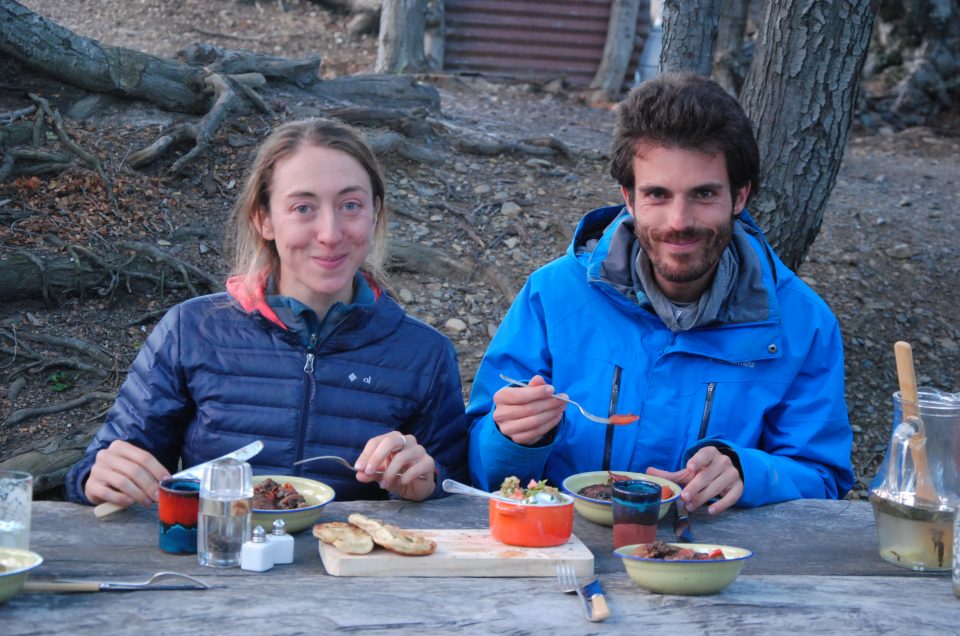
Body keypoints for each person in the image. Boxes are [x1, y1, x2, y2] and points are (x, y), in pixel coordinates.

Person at [466, 73, 854, 514]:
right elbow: (478, 469)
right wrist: (511, 437)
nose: (678, 221)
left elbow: (824, 482)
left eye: (704, 194)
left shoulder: (803, 324)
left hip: (715, 566)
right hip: (564, 555)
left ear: (739, 196)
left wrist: (748, 471)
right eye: (657, 194)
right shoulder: (553, 296)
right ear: (629, 198)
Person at [66, 119, 468, 506]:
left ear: (375, 212)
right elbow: (103, 468)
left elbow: (460, 490)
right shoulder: (191, 331)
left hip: (354, 568)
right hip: (217, 561)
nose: (330, 233)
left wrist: (429, 484)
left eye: (350, 205)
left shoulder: (425, 354)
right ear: (264, 219)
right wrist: (96, 479)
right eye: (302, 208)